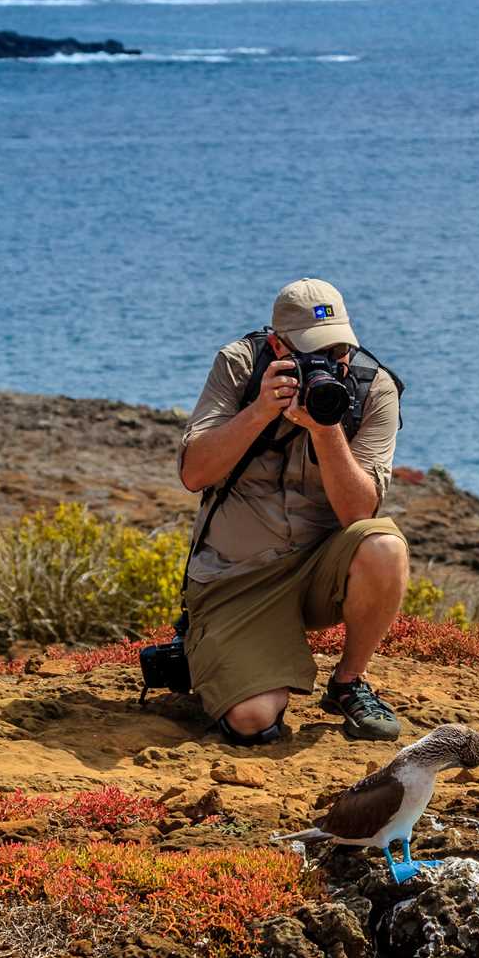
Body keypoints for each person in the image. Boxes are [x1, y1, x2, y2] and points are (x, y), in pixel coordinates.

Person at [175, 278, 408, 746]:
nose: (329, 364)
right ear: (279, 344)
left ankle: (348, 682)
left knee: (383, 544)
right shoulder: (240, 365)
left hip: (316, 573)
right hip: (235, 577)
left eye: (339, 351)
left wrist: (326, 430)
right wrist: (260, 411)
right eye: (310, 354)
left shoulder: (373, 388)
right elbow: (194, 473)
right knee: (253, 720)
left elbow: (359, 512)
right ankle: (219, 648)